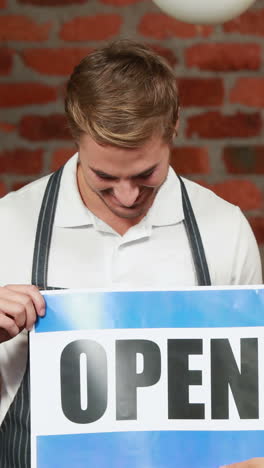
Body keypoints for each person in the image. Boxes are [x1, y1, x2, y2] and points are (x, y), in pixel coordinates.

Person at [0, 39, 262, 467]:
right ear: (75, 136)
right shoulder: (7, 224)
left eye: (146, 174)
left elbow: (254, 400)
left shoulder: (225, 230)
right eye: (104, 175)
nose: (125, 195)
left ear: (174, 126)